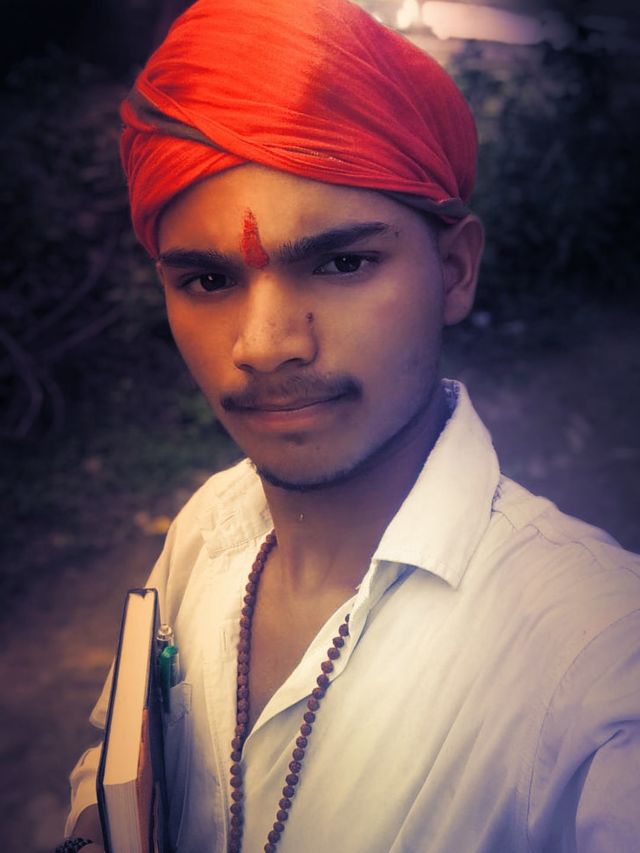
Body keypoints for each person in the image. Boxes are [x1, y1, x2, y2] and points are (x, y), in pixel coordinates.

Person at [58, 0, 640, 851]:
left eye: (341, 262)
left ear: (454, 269)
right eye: (208, 281)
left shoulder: (596, 658)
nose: (265, 346)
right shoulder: (207, 529)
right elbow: (116, 753)